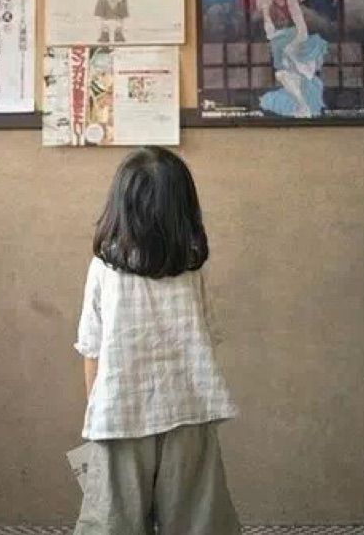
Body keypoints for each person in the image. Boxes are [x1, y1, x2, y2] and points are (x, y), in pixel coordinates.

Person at [73, 147, 240, 535]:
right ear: (184, 209)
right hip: (190, 409)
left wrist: (96, 410)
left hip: (118, 416)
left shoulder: (104, 268)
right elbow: (208, 335)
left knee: (113, 523)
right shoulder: (192, 269)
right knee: (198, 521)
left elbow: (91, 348)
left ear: (121, 207)